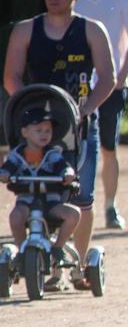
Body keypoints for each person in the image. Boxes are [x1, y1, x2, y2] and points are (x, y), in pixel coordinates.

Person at [3, 0, 114, 286]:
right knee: (34, 190)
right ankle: (43, 264)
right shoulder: (26, 30)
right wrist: (28, 108)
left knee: (81, 196)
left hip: (78, 124)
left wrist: (88, 108)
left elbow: (107, 77)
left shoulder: (91, 30)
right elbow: (11, 77)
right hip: (36, 127)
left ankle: (77, 265)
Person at [72, 0, 128, 232]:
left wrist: (121, 75)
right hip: (78, 84)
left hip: (112, 84)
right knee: (76, 146)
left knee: (108, 146)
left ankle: (110, 205)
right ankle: (75, 203)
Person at [4, 105, 80, 253]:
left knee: (74, 214)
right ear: (25, 132)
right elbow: (8, 167)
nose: (44, 134)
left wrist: (68, 173)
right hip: (26, 200)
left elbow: (63, 166)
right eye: (38, 130)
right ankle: (22, 251)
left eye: (48, 131)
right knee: (15, 217)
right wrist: (5, 173)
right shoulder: (17, 155)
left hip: (51, 202)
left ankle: (58, 247)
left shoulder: (52, 154)